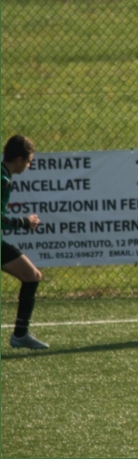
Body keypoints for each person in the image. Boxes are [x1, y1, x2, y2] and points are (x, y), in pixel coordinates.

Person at [2, 135, 48, 349]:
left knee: (32, 275)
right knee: (32, 276)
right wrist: (24, 222)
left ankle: (21, 334)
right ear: (19, 160)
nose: (29, 165)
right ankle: (20, 335)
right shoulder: (3, 180)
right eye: (29, 161)